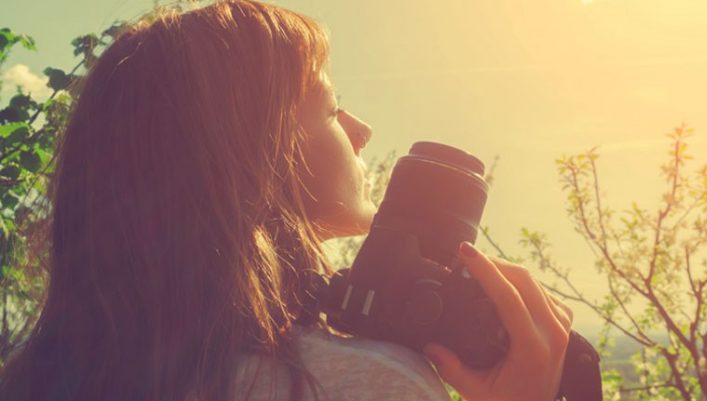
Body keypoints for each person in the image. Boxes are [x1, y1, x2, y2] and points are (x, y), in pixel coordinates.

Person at [0, 1, 572, 400]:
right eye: (329, 106)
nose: (362, 129)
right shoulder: (358, 384)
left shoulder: (31, 381)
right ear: (251, 152)